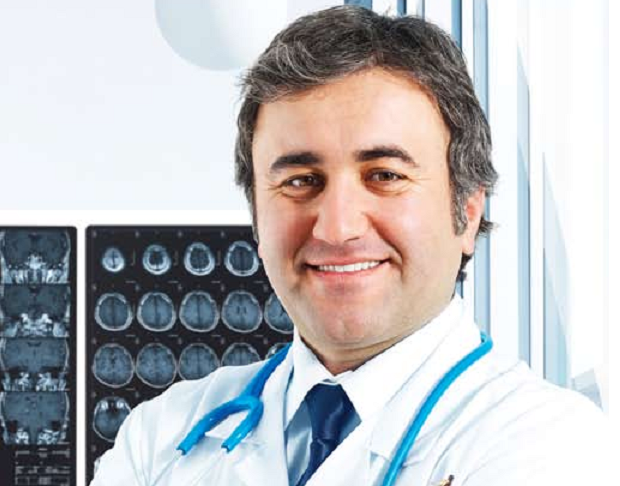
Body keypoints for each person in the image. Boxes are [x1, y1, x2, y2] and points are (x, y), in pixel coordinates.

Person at [92, 6, 610, 485]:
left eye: (384, 175)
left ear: (468, 211)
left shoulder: (551, 446)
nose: (337, 228)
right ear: (256, 215)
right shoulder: (162, 435)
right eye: (300, 181)